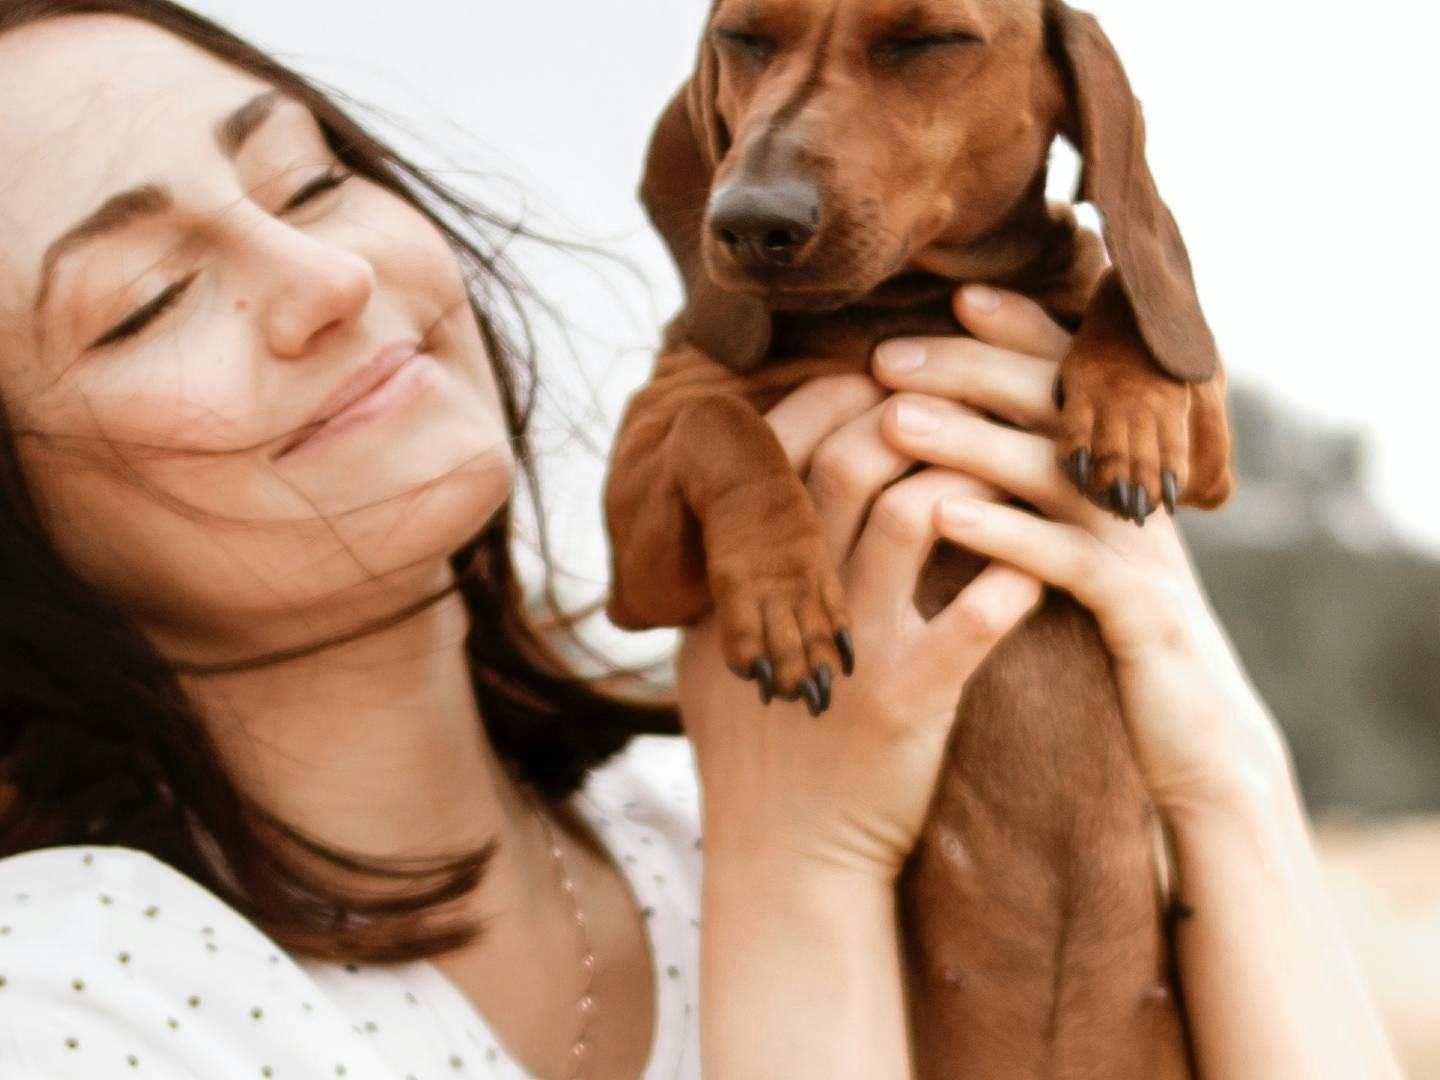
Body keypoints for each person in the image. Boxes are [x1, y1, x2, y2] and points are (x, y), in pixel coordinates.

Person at [0, 2, 1403, 1079]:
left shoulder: (669, 826)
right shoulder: (73, 998)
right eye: (144, 300)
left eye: (311, 183)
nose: (331, 277)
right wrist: (806, 871)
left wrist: (1220, 759)